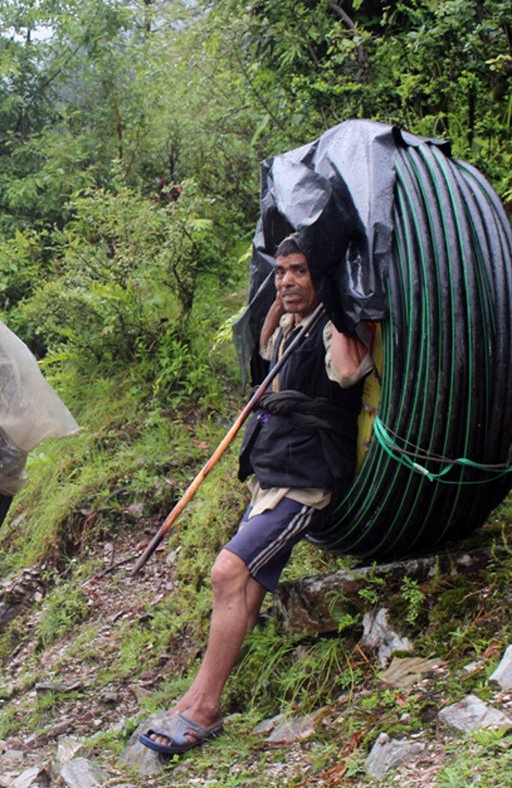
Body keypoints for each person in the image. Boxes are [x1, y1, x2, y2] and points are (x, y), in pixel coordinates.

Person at [140, 233, 374, 756]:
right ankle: (199, 699)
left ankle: (203, 706)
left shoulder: (333, 326)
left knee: (227, 572)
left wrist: (335, 303)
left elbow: (349, 370)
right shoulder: (291, 325)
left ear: (322, 278)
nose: (288, 280)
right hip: (270, 475)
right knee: (245, 587)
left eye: (300, 272)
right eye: (281, 271)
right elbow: (264, 350)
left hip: (307, 482)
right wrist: (278, 302)